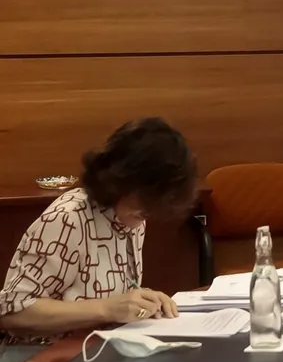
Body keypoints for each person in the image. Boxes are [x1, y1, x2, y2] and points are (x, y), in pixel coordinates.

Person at [0, 117, 198, 339]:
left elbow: (105, 296)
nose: (149, 211)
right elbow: (12, 312)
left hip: (96, 347)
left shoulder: (132, 217)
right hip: (45, 354)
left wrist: (142, 300)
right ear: (121, 179)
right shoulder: (68, 219)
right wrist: (107, 308)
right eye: (145, 195)